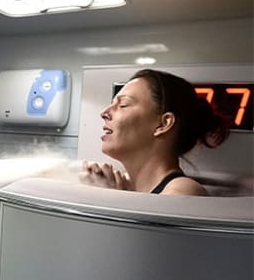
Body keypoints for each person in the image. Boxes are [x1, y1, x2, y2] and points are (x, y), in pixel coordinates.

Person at [80, 68, 230, 195]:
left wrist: (110, 198)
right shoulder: (123, 186)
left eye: (123, 104)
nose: (104, 113)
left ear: (163, 124)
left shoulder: (183, 190)